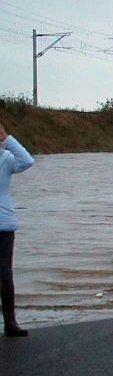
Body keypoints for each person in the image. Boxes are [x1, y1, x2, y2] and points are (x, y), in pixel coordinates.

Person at [0, 118, 35, 337]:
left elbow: (27, 161)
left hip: (4, 224)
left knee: (5, 275)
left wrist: (7, 139)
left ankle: (10, 322)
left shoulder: (6, 159)